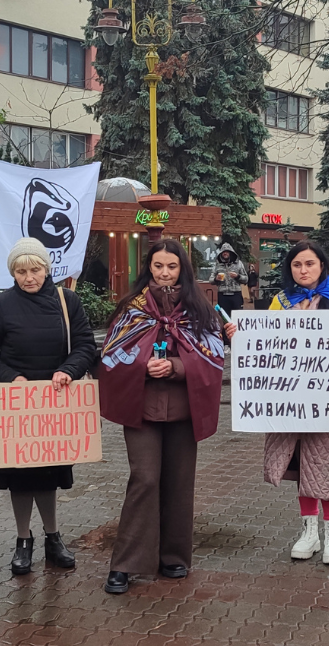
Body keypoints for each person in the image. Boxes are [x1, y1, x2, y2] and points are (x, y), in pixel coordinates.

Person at [97, 240, 234, 594]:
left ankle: (173, 556)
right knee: (144, 479)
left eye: (171, 267)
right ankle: (126, 563)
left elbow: (211, 355)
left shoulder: (200, 308)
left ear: (182, 270)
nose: (164, 273)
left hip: (184, 410)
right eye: (158, 266)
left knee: (179, 481)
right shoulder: (132, 308)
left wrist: (174, 366)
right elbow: (113, 353)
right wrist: (144, 365)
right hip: (141, 409)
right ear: (149, 268)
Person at [0, 238, 98, 575]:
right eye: (21, 271)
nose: (29, 277)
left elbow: (86, 346)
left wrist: (68, 370)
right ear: (13, 273)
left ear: (47, 268)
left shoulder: (67, 300)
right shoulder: (1, 305)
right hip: (17, 405)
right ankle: (22, 539)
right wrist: (10, 377)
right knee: (20, 477)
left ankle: (53, 537)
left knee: (49, 475)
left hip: (56, 402)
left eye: (35, 269)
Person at [260, 241, 329, 564]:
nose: (303, 270)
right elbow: (264, 347)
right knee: (302, 467)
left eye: (310, 264)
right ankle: (308, 532)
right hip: (293, 402)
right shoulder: (280, 302)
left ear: (322, 266)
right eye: (297, 265)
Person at [211, 242, 248, 316]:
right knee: (223, 316)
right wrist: (216, 279)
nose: (225, 253)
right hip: (222, 295)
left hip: (236, 294)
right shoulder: (217, 265)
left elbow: (246, 279)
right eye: (223, 252)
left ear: (231, 252)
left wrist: (237, 276)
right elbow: (210, 280)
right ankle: (224, 328)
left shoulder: (239, 264)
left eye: (227, 251)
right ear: (221, 253)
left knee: (237, 316)